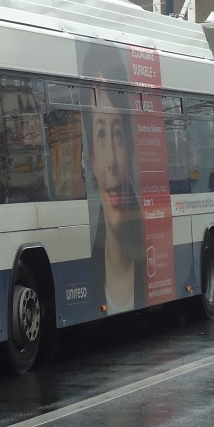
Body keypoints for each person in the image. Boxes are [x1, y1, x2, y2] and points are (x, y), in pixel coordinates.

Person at [84, 85, 142, 314]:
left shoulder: (149, 253)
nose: (112, 162)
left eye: (118, 135)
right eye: (100, 135)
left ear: (130, 148)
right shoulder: (90, 268)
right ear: (91, 159)